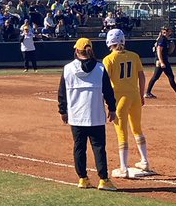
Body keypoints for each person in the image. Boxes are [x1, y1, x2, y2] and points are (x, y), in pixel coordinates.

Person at [58, 37, 118, 190]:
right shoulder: (100, 68)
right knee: (98, 148)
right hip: (95, 115)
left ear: (77, 51)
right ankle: (103, 179)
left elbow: (62, 93)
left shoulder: (68, 68)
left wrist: (63, 111)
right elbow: (108, 92)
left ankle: (83, 178)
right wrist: (112, 109)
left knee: (79, 147)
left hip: (76, 116)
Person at [102, 29, 154, 178]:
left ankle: (123, 167)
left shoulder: (109, 59)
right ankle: (145, 161)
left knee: (122, 132)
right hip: (135, 96)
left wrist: (105, 101)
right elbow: (141, 76)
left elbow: (106, 83)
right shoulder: (134, 56)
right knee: (137, 129)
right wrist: (142, 93)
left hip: (120, 98)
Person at [145, 25, 176, 100]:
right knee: (162, 77)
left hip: (163, 60)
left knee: (161, 77)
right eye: (169, 31)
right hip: (161, 61)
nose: (170, 32)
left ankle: (148, 93)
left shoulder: (164, 39)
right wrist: (161, 62)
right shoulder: (162, 39)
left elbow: (166, 51)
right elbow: (159, 50)